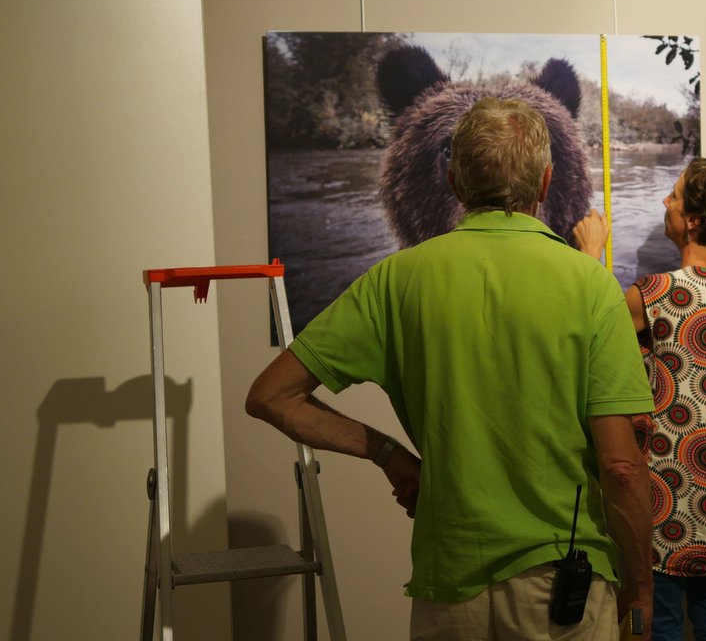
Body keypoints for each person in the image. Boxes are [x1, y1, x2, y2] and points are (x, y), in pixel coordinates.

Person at [246, 97, 656, 640]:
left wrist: (390, 456)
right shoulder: (592, 286)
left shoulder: (395, 280)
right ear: (545, 182)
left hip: (448, 587)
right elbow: (622, 469)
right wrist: (642, 584)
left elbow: (272, 396)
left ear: (454, 182)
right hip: (561, 586)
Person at [574, 158, 706, 641]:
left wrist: (590, 257)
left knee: (655, 623)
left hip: (666, 494)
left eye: (675, 196)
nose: (665, 202)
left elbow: (589, 334)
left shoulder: (655, 294)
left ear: (693, 219)